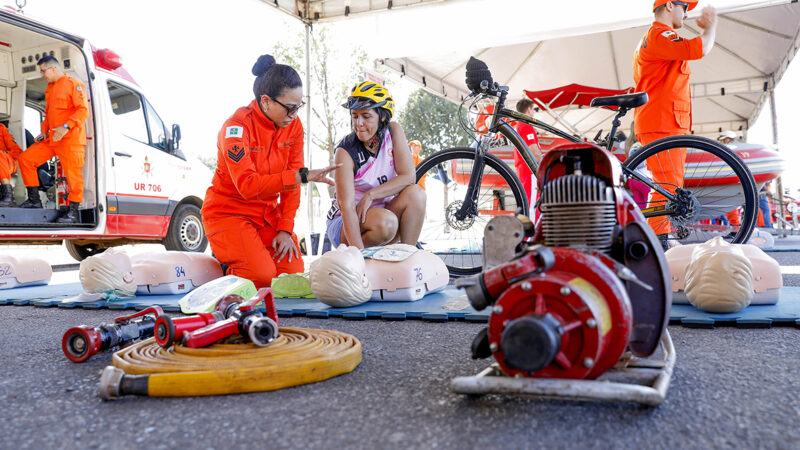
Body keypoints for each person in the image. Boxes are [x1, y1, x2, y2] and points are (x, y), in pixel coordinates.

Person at [201, 54, 338, 289]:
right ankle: (225, 264)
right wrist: (301, 176)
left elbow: (292, 186)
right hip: (229, 214)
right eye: (290, 108)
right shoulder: (236, 127)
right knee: (262, 277)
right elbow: (248, 186)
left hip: (266, 217)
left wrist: (285, 228)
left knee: (291, 275)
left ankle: (248, 259)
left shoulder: (293, 126)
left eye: (299, 107)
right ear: (266, 101)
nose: (294, 115)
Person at [632, 0, 717, 234]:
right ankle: (659, 244)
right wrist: (710, 27)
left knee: (667, 186)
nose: (687, 14)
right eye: (685, 7)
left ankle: (660, 240)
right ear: (670, 5)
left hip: (662, 121)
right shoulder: (660, 34)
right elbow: (698, 49)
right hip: (663, 121)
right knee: (666, 187)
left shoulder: (654, 37)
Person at [326, 81, 426, 249]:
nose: (358, 123)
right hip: (346, 222)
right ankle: (363, 259)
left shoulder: (393, 131)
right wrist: (358, 258)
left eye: (366, 116)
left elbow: (409, 177)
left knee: (416, 194)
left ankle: (406, 254)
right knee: (386, 223)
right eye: (355, 116)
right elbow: (347, 208)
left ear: (383, 116)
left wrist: (371, 195)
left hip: (384, 214)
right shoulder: (345, 151)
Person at [17, 55, 89, 223]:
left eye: (43, 71)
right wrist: (44, 131)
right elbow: (49, 114)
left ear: (53, 68)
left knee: (73, 176)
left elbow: (82, 111)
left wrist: (66, 127)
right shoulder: (50, 88)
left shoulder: (74, 84)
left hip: (70, 140)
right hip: (52, 139)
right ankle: (34, 201)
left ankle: (73, 212)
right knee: (26, 159)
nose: (42, 75)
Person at [512, 98, 543, 205]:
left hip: (522, 172)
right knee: (532, 206)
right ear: (529, 110)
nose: (533, 112)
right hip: (530, 171)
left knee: (527, 204)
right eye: (533, 109)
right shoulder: (526, 126)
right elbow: (535, 153)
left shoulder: (518, 126)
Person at [0, 123, 23, 207]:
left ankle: (8, 196)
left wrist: (4, 153)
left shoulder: (2, 129)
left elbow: (18, 152)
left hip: (6, 162)